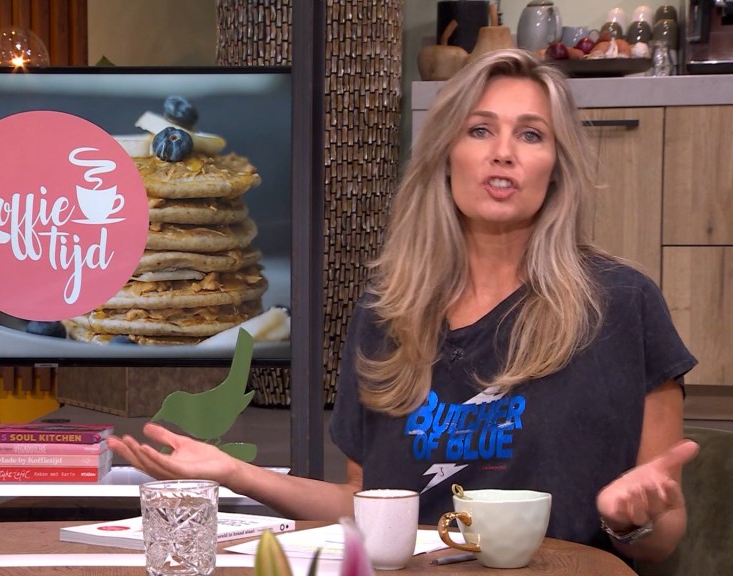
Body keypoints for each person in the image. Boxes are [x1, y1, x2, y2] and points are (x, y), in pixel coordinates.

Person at [108, 49, 698, 564]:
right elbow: (365, 507)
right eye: (480, 130)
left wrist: (632, 518)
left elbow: (664, 535)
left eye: (531, 135)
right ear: (445, 154)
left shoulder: (622, 304)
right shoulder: (388, 312)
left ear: (557, 165)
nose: (503, 153)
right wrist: (234, 474)